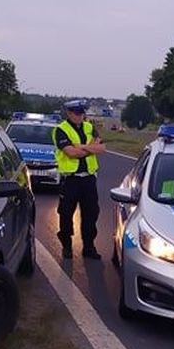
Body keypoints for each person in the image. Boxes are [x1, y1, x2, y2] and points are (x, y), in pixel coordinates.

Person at [53, 99, 106, 259]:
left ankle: (89, 247)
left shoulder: (90, 127)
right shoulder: (60, 130)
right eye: (77, 113)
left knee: (91, 214)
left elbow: (101, 148)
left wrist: (81, 147)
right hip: (70, 180)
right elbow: (71, 153)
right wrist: (90, 148)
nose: (81, 116)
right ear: (69, 113)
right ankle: (67, 246)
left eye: (82, 112)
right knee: (66, 214)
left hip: (88, 179)